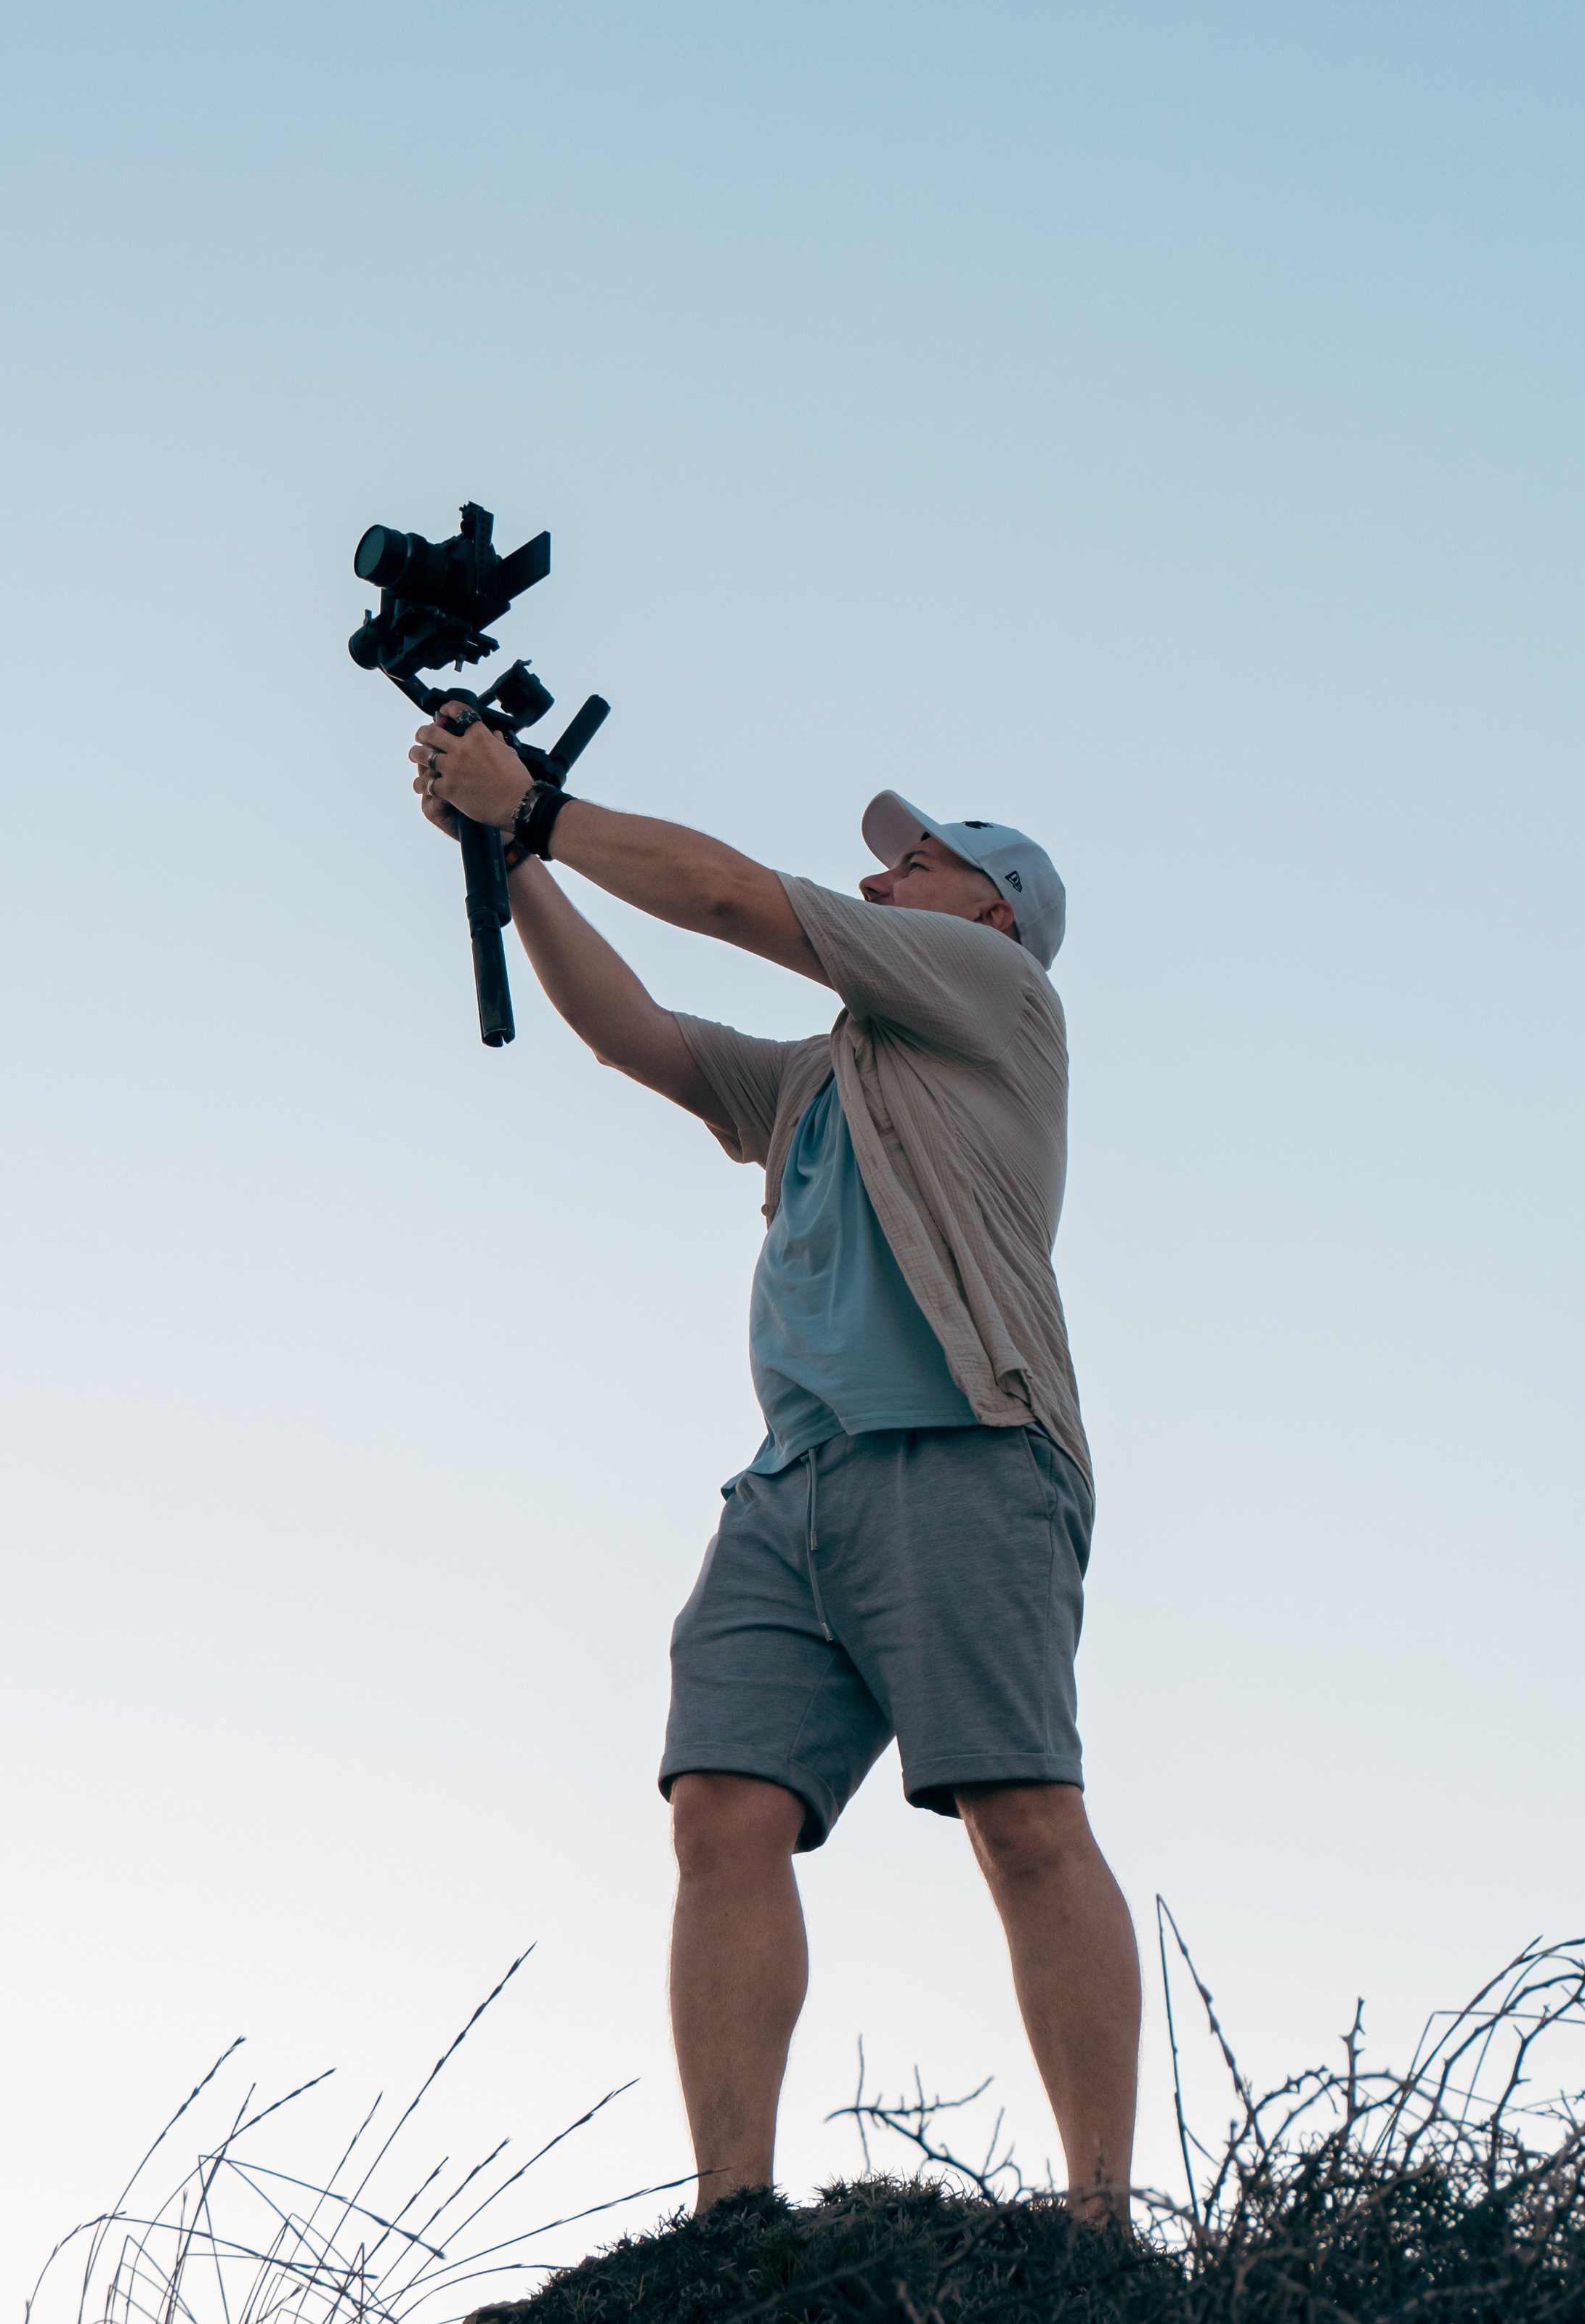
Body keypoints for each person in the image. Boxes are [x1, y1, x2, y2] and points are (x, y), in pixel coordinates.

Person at [409, 712, 1141, 2223]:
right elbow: (638, 1036)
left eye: (915, 864)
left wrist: (537, 805)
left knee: (1020, 1819)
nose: (879, 886)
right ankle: (729, 2214)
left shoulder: (996, 997)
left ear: (994, 911)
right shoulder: (827, 1080)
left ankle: (1098, 2221)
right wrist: (508, 855)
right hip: (792, 1488)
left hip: (965, 1449)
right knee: (720, 1811)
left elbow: (741, 900)